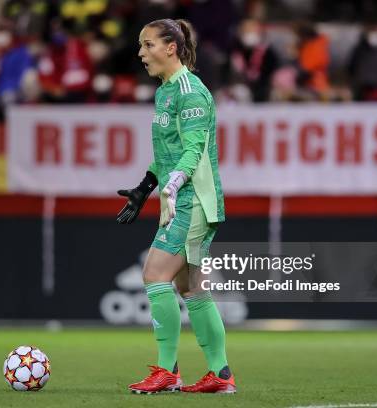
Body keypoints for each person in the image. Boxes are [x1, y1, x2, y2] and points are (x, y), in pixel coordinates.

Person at [116, 18, 234, 394]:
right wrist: (145, 186)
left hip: (193, 201)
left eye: (148, 45)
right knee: (192, 288)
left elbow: (193, 149)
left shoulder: (190, 91)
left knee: (154, 275)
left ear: (171, 48)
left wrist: (174, 181)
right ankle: (221, 375)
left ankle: (167, 371)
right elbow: (166, 155)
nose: (141, 53)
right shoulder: (165, 91)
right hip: (180, 197)